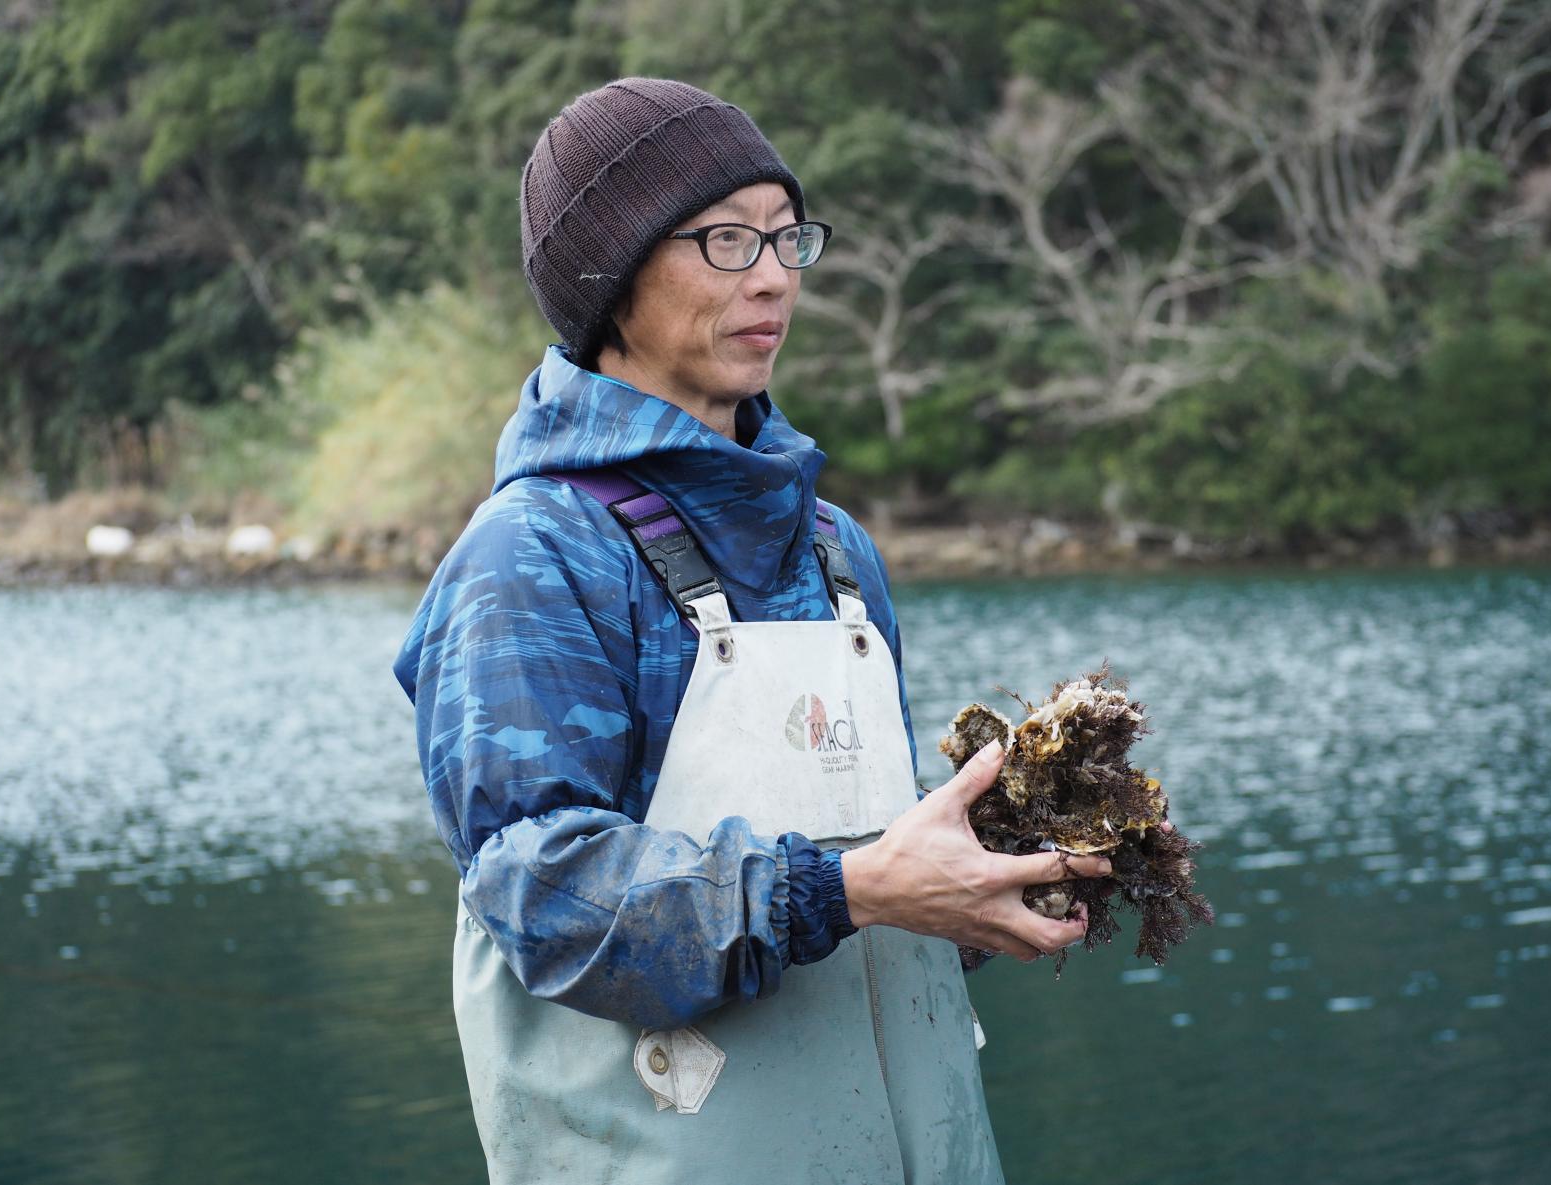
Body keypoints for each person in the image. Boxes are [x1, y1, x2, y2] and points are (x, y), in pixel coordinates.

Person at [393, 77, 1107, 1185]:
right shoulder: (533, 554)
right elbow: (539, 892)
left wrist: (983, 880)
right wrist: (845, 889)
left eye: (786, 238)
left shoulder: (834, 547)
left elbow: (877, 888)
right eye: (725, 240)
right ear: (608, 278)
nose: (773, 276)